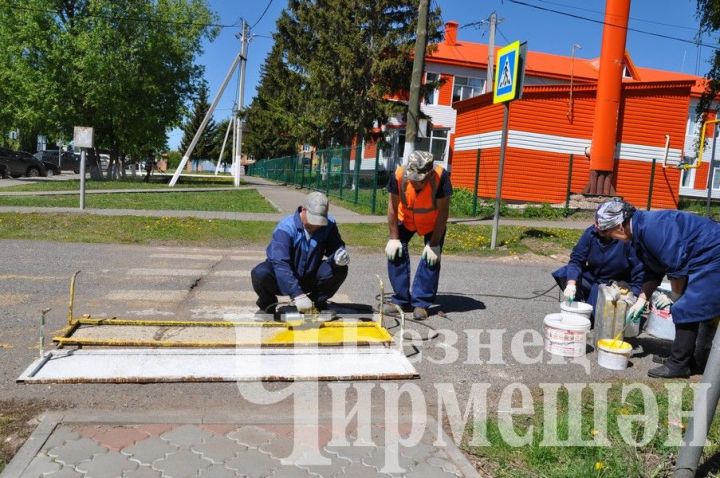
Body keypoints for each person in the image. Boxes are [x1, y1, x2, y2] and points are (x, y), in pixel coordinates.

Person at [597, 198, 720, 378]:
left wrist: (675, 297)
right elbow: (653, 270)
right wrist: (642, 299)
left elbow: (676, 267)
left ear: (619, 227)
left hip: (713, 253)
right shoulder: (639, 232)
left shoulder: (651, 229)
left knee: (687, 307)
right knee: (687, 306)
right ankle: (685, 360)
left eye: (609, 233)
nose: (611, 237)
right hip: (701, 256)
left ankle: (678, 365)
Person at [251, 191, 349, 316]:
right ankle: (267, 306)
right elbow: (280, 263)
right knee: (260, 274)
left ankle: (315, 306)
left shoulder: (328, 225)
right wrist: (297, 294)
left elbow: (335, 247)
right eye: (314, 220)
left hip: (310, 276)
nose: (317, 225)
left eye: (320, 221)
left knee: (340, 269)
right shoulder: (285, 228)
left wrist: (338, 256)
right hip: (283, 279)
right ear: (303, 210)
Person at [385, 150, 452, 320]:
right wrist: (394, 239)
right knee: (395, 252)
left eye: (418, 181)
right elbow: (392, 207)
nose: (414, 183)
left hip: (432, 223)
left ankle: (421, 303)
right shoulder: (399, 175)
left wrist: (434, 244)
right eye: (411, 179)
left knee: (431, 259)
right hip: (405, 219)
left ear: (428, 176)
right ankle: (400, 300)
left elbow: (443, 212)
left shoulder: (441, 177)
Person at [552, 210, 644, 325]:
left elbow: (639, 271)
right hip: (592, 277)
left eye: (603, 227)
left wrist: (636, 297)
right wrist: (571, 284)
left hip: (615, 284)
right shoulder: (591, 233)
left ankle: (595, 307)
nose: (597, 227)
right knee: (565, 273)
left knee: (594, 320)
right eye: (596, 222)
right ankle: (578, 302)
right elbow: (576, 260)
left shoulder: (626, 239)